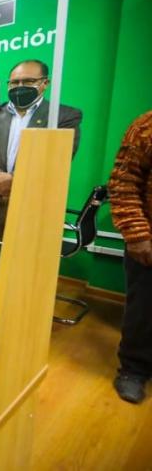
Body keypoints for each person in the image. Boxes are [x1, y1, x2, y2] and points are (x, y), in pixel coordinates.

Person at [0, 59, 82, 320]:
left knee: (24, 259)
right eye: (14, 82)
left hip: (30, 202)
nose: (20, 86)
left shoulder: (64, 116)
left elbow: (58, 158)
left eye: (28, 81)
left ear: (44, 83)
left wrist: (15, 181)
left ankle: (17, 312)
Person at [108, 110, 152, 404]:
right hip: (147, 239)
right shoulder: (146, 127)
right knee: (144, 311)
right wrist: (137, 234)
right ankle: (133, 370)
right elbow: (123, 183)